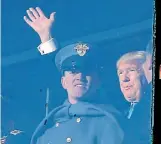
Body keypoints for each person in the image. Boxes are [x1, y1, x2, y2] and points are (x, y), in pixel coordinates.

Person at [24, 7, 125, 144]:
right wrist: (45, 37)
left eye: (87, 70)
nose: (80, 76)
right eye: (73, 71)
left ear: (98, 80)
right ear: (63, 82)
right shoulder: (48, 128)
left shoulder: (108, 123)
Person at [116, 51, 152, 144]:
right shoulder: (117, 114)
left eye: (131, 70)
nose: (124, 78)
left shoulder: (152, 110)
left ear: (146, 75)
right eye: (120, 73)